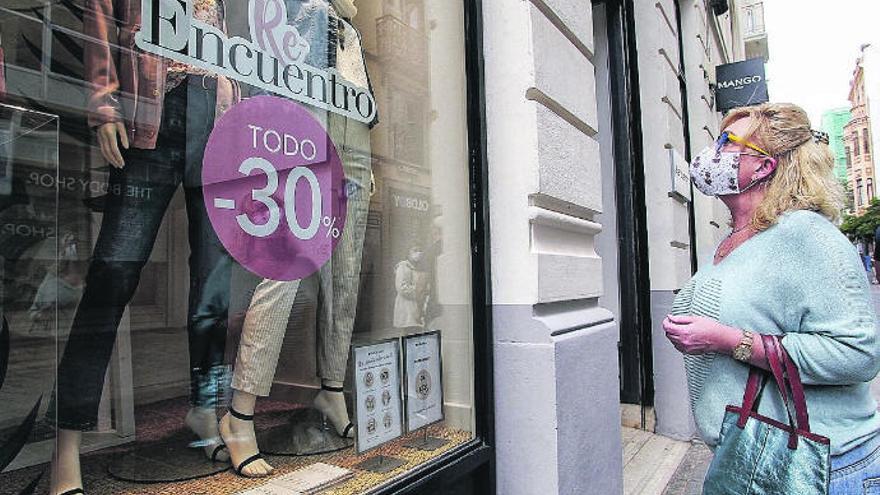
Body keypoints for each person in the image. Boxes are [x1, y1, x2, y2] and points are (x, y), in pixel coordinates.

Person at [663, 103, 880, 494]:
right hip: (748, 461)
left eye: (728, 142)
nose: (713, 152)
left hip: (820, 469)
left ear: (764, 166)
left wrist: (728, 341)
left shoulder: (807, 235)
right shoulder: (738, 240)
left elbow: (858, 354)